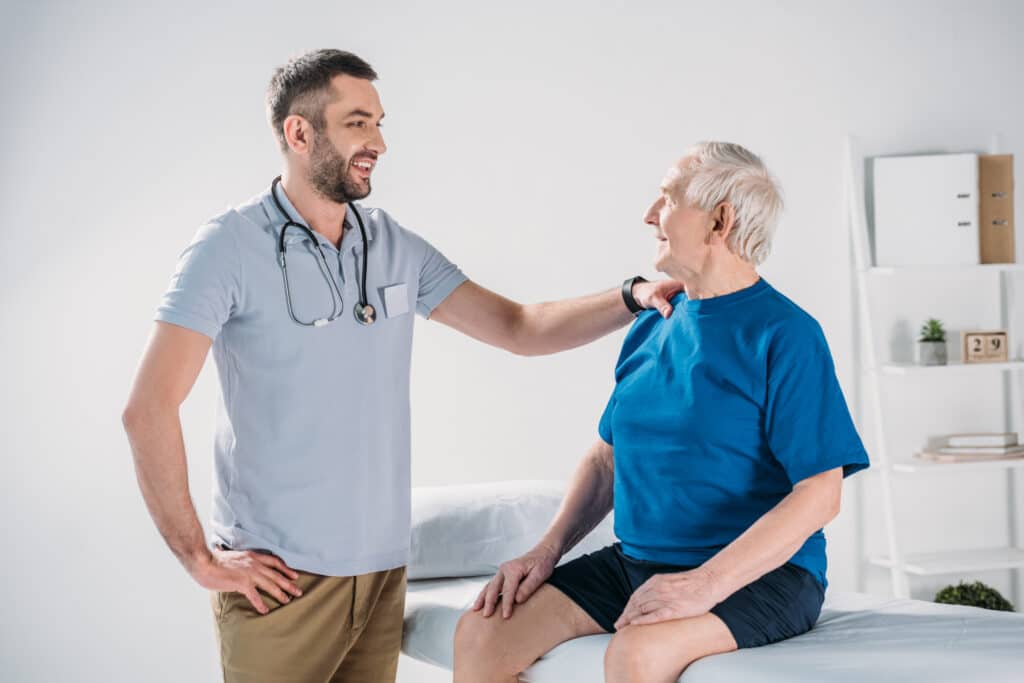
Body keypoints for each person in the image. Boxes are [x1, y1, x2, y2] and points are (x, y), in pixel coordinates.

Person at [120, 49, 680, 683]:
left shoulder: (390, 244)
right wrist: (199, 558)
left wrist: (632, 295)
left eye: (380, 122)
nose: (379, 142)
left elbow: (519, 328)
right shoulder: (228, 247)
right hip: (278, 583)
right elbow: (148, 408)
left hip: (382, 576)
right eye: (358, 122)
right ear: (299, 133)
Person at [454, 141, 870, 683]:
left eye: (668, 200)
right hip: (636, 564)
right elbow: (607, 461)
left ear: (720, 220)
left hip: (762, 576)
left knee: (638, 652)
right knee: (483, 633)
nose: (650, 215)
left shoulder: (785, 334)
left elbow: (820, 493)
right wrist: (545, 550)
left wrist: (706, 584)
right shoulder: (654, 322)